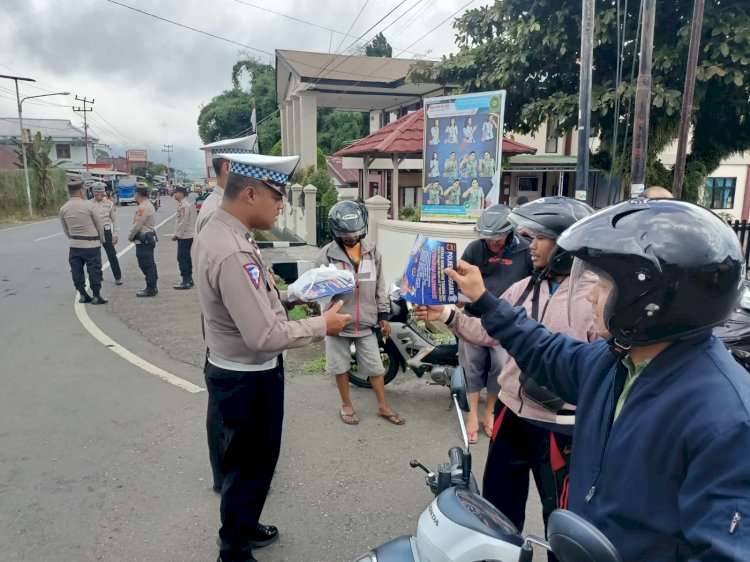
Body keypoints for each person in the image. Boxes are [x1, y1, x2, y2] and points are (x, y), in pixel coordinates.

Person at [441, 198, 750, 561]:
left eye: (602, 284)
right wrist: (485, 301)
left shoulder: (726, 419)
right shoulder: (618, 361)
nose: (589, 293)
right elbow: (546, 350)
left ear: (649, 300)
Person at [416, 197, 597, 562]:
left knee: (559, 521)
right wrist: (448, 314)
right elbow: (487, 331)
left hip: (559, 430)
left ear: (566, 243)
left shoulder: (595, 296)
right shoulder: (524, 287)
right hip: (511, 417)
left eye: (541, 238)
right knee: (496, 511)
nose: (531, 245)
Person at [193, 152, 351, 562]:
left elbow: (249, 301)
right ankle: (234, 550)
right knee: (248, 468)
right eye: (276, 196)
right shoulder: (233, 250)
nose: (280, 204)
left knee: (252, 464)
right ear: (250, 193)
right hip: (247, 377)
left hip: (237, 369)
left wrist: (291, 294)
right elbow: (264, 334)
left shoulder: (226, 231)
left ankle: (244, 526)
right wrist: (323, 327)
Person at [197, 135, 260, 496]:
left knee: (228, 412)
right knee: (225, 413)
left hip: (226, 321)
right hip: (228, 329)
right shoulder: (215, 214)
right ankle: (227, 475)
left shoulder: (219, 207)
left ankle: (232, 474)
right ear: (227, 169)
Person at [316, 201, 404, 426]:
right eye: (345, 234)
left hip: (365, 322)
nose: (350, 237)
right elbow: (317, 288)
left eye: (354, 233)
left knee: (375, 366)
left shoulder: (372, 251)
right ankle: (346, 404)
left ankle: (383, 406)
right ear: (335, 231)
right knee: (340, 366)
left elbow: (379, 286)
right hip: (337, 324)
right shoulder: (327, 254)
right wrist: (324, 316)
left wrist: (383, 315)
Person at [458, 204, 532, 442]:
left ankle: (489, 411)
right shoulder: (474, 249)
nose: (492, 244)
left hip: (505, 320)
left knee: (501, 364)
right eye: (488, 240)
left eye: (497, 240)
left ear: (510, 233)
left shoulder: (526, 251)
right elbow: (461, 278)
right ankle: (471, 413)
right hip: (474, 315)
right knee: (472, 362)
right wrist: (458, 297)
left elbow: (533, 284)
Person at [196, 135, 258, 234]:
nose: (250, 173)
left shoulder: (222, 204)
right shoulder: (218, 212)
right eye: (245, 167)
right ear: (227, 168)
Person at [60, 179, 107, 305]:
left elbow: (66, 229)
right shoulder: (89, 206)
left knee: (76, 270)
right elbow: (99, 225)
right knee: (94, 269)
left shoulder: (63, 208)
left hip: (74, 245)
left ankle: (82, 294)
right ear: (81, 191)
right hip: (91, 244)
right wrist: (101, 240)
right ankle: (96, 296)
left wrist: (74, 238)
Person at [128, 186, 158, 297]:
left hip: (144, 239)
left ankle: (151, 288)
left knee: (146, 264)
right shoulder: (148, 205)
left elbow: (137, 226)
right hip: (148, 238)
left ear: (138, 194)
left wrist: (130, 236)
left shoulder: (143, 207)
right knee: (149, 263)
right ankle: (152, 286)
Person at [91, 181, 122, 285]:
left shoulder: (109, 203)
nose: (99, 194)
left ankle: (118, 277)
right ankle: (98, 276)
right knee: (95, 256)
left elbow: (115, 220)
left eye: (101, 192)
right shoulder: (88, 204)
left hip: (106, 231)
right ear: (93, 192)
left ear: (104, 192)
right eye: (96, 192)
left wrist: (115, 234)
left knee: (112, 255)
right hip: (94, 232)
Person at [171, 186, 197, 290]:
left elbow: (183, 222)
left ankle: (186, 280)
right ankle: (189, 279)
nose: (174, 194)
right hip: (186, 235)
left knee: (182, 258)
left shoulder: (184, 206)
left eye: (175, 192)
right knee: (185, 257)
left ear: (181, 193)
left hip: (185, 236)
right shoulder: (183, 205)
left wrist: (177, 235)